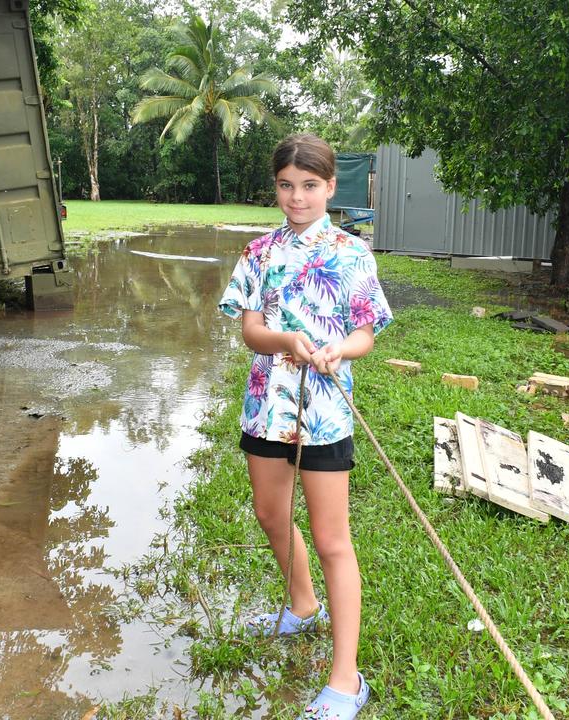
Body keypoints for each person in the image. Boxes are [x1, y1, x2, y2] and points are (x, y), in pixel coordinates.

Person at [218, 133, 392, 719]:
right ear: (276, 187)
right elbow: (250, 331)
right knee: (270, 513)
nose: (297, 197)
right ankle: (301, 605)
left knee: (331, 539)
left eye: (310, 186)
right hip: (268, 402)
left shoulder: (352, 253)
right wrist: (287, 339)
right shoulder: (258, 251)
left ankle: (346, 680)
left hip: (326, 411)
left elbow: (367, 332)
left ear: (330, 187)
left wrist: (339, 349)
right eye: (287, 186)